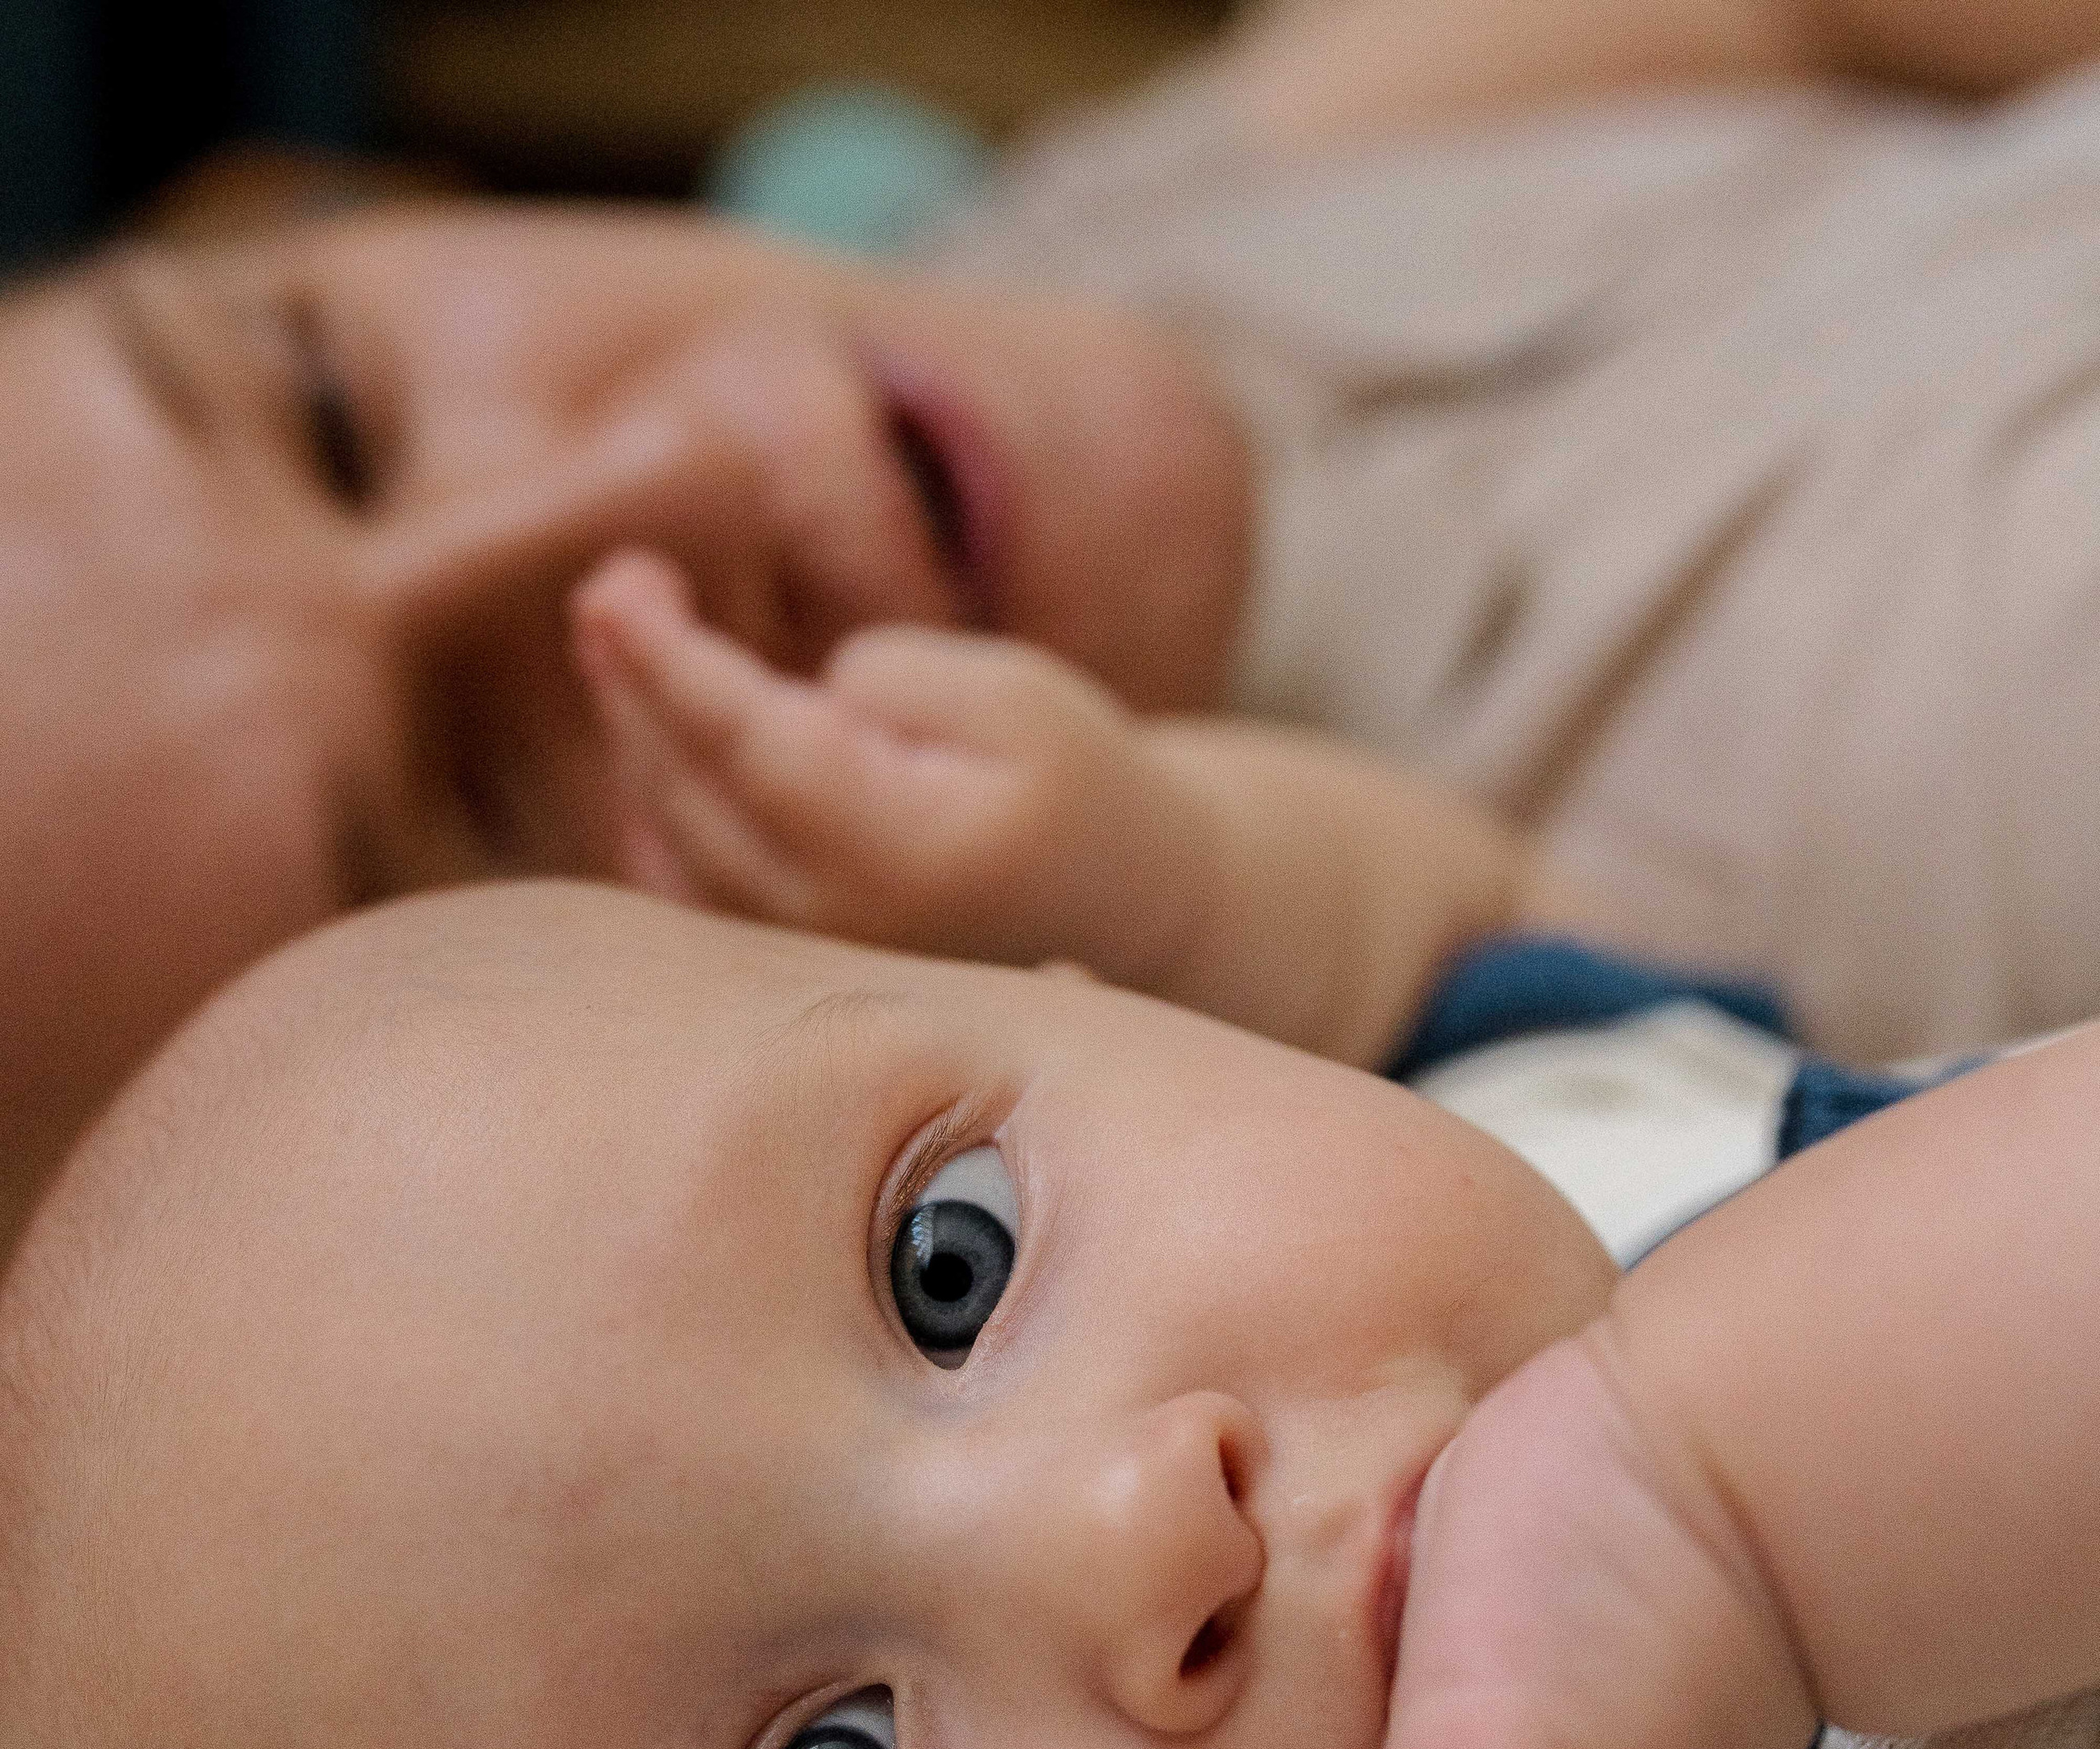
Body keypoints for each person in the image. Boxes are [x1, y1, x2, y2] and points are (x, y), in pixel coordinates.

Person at [1, 619, 2095, 1749]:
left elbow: (1520, 911)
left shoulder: (1486, 1112)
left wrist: (1220, 870)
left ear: (1076, 999)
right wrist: (1719, 1527)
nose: (1115, 1540)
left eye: (950, 1257)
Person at [14, 0, 2100, 1246]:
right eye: (472, 799)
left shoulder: (1077, 246)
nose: (649, 494)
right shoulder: (1634, 1092)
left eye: (326, 402)